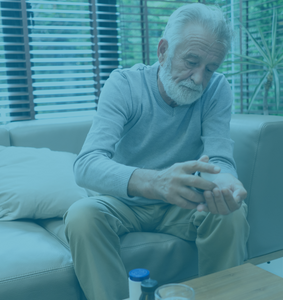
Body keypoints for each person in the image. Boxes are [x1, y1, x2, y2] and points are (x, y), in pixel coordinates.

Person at [64, 3, 250, 300]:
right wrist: (155, 182)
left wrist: (226, 181)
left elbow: (219, 158)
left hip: (181, 203)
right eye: (191, 61)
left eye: (210, 68)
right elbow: (86, 165)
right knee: (81, 216)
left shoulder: (217, 90)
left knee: (231, 213)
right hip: (123, 202)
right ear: (163, 51)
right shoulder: (124, 84)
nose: (199, 78)